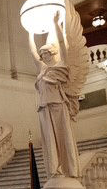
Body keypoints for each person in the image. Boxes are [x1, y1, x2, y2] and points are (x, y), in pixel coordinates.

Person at [27, 11, 79, 177]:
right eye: (42, 54)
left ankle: (69, 170)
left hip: (58, 105)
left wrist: (56, 24)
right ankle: (53, 170)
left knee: (64, 139)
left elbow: (63, 44)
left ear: (53, 52)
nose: (43, 56)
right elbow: (32, 52)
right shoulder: (42, 69)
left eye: (46, 53)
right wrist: (29, 32)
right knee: (49, 142)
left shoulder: (61, 66)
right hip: (44, 108)